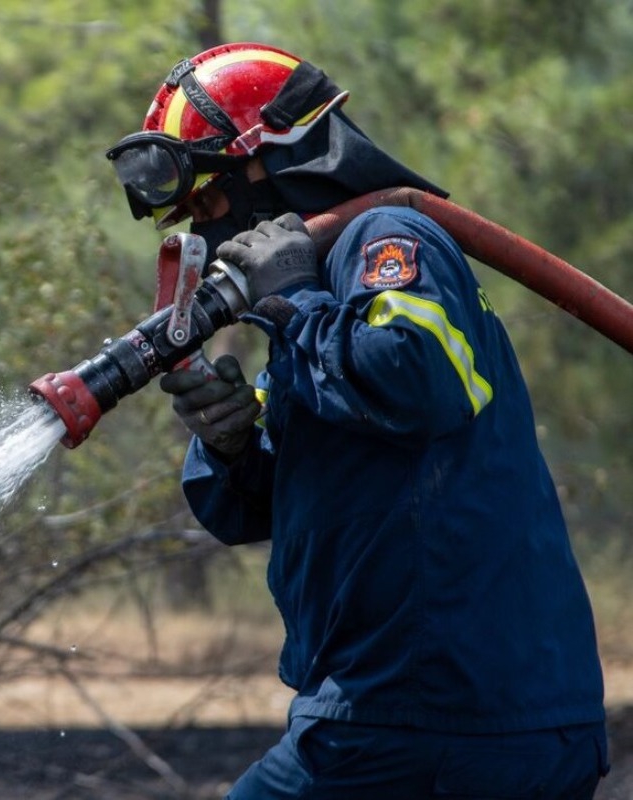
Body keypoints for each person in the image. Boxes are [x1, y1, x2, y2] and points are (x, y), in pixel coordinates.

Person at [106, 42, 610, 798]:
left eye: (211, 202)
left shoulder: (388, 242)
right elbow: (272, 503)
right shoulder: (315, 299)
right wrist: (235, 445)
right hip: (449, 708)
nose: (211, 233)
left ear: (274, 167)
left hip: (424, 714)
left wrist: (293, 299)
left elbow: (420, 379)